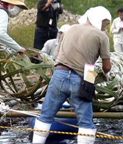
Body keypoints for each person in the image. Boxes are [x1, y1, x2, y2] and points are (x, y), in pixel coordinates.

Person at [32, 6, 112, 144]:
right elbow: (106, 66)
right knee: (86, 122)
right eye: (106, 23)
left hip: (58, 75)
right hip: (80, 78)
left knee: (45, 116)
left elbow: (58, 55)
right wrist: (106, 74)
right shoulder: (102, 36)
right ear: (100, 20)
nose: (106, 27)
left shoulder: (69, 29)